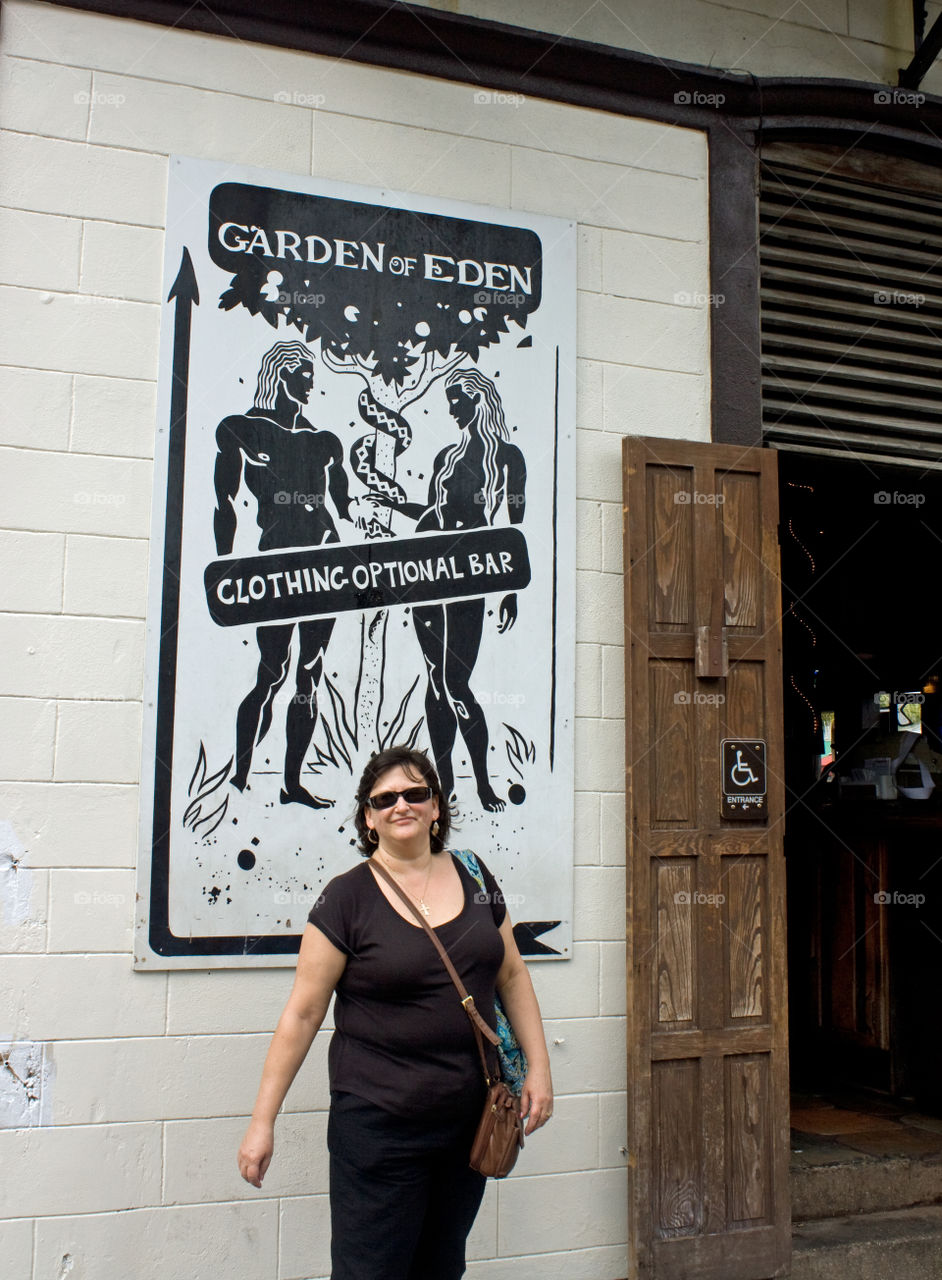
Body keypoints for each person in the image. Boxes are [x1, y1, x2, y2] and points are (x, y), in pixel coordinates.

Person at [237, 744, 553, 1280]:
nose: (400, 805)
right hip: (380, 1128)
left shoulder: (475, 877)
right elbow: (303, 1015)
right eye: (384, 799)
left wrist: (539, 1069)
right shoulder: (346, 899)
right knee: (371, 1270)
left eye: (414, 793)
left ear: (436, 807)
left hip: (468, 1120)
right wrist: (261, 1122)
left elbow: (512, 975)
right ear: (368, 817)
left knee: (442, 1266)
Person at [213, 340, 371, 809]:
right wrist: (224, 565)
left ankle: (292, 784)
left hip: (325, 565)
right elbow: (224, 502)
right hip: (278, 566)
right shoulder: (245, 430)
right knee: (271, 672)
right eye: (303, 374)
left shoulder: (325, 442)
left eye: (312, 376)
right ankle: (239, 775)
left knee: (309, 674)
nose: (310, 383)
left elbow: (346, 508)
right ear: (281, 375)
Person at [378, 367, 527, 811]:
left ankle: (481, 783)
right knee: (435, 680)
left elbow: (515, 527)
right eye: (448, 402)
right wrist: (395, 504)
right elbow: (431, 512)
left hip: (469, 576)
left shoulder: (507, 457)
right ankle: (444, 786)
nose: (451, 409)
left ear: (478, 400)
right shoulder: (446, 456)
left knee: (456, 682)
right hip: (429, 573)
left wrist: (510, 589)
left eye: (457, 400)